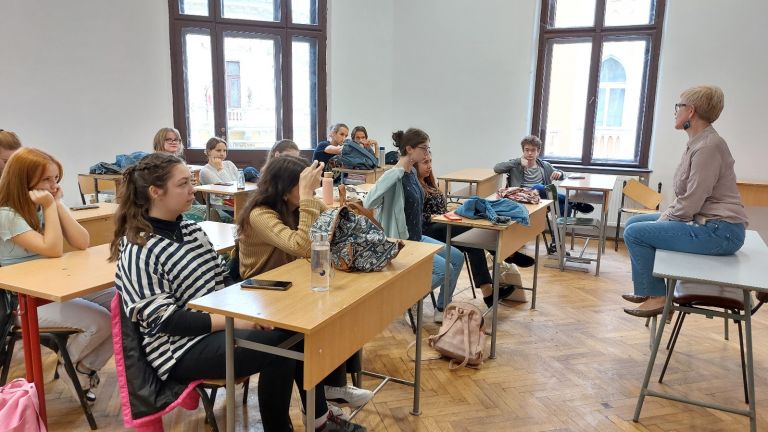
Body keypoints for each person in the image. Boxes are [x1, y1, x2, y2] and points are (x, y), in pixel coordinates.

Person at [110, 153, 364, 432]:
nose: (192, 189)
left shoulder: (191, 231)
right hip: (179, 348)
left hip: (215, 326)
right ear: (155, 192)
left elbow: (223, 281)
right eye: (183, 184)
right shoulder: (138, 248)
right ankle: (296, 425)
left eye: (190, 182)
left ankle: (319, 420)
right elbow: (166, 320)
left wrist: (251, 313)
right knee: (284, 344)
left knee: (296, 332)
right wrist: (237, 321)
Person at [237, 156, 373, 418]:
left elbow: (334, 221)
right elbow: (301, 246)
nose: (310, 190)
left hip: (291, 284)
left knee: (338, 313)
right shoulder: (259, 214)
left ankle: (332, 388)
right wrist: (310, 198)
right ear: (283, 189)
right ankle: (319, 406)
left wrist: (328, 207)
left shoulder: (296, 207)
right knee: (296, 338)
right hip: (261, 292)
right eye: (303, 185)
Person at [622, 85, 748, 317]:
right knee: (632, 224)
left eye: (678, 106)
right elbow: (685, 197)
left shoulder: (708, 146)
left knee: (635, 234)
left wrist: (663, 220)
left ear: (690, 111)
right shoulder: (698, 142)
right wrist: (664, 218)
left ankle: (658, 297)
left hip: (721, 232)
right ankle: (647, 289)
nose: (675, 111)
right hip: (708, 223)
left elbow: (691, 201)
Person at [0, 147, 113, 403]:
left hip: (53, 290)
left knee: (122, 309)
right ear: (24, 181)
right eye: (46, 180)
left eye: (56, 179)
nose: (54, 186)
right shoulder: (7, 215)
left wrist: (58, 204)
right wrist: (51, 206)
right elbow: (53, 249)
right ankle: (73, 367)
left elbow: (82, 241)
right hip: (23, 302)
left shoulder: (43, 206)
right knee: (102, 322)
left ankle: (81, 368)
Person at [363, 128, 463, 323]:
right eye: (423, 148)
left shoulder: (412, 173)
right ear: (409, 149)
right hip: (402, 242)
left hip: (417, 237)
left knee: (457, 258)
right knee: (445, 270)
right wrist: (396, 172)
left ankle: (442, 308)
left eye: (428, 148)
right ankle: (405, 300)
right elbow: (369, 202)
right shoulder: (395, 175)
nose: (427, 153)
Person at [416, 153, 517, 307]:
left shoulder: (430, 183)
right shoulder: (415, 186)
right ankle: (506, 256)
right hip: (428, 230)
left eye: (430, 161)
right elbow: (414, 217)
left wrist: (451, 212)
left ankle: (488, 292)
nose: (429, 166)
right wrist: (433, 216)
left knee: (473, 241)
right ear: (415, 164)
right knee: (471, 235)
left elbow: (441, 208)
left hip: (442, 225)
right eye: (425, 162)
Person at [493, 135, 594, 216]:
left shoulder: (544, 166)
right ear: (523, 150)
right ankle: (572, 201)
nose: (529, 153)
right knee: (538, 187)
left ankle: (558, 236)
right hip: (522, 199)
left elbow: (563, 175)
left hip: (542, 200)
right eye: (527, 150)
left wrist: (559, 173)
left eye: (533, 150)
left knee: (566, 207)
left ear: (538, 151)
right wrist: (518, 161)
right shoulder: (515, 164)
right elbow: (497, 168)